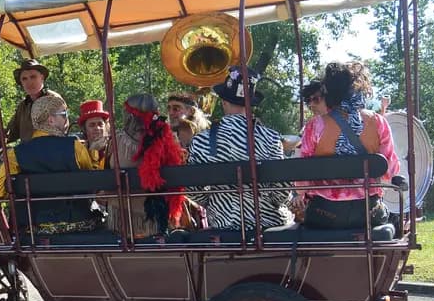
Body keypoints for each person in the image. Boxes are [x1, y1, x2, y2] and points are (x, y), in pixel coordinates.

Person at [292, 62, 399, 229]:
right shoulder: (378, 122)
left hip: (323, 214)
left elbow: (302, 178)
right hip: (368, 213)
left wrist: (300, 195)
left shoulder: (315, 126)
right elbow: (389, 172)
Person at [186, 66, 292, 230]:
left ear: (223, 102)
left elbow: (193, 191)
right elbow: (281, 194)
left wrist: (216, 203)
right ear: (252, 105)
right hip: (269, 226)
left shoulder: (201, 141)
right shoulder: (271, 138)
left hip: (223, 226)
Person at [0, 94, 104, 234]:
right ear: (51, 120)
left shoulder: (15, 154)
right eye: (64, 114)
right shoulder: (74, 146)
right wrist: (94, 154)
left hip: (31, 230)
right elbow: (93, 182)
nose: (67, 119)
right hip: (78, 224)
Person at [0, 58, 61, 199]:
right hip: (24, 155)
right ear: (21, 83)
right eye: (25, 79)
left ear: (42, 77)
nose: (29, 82)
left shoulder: (53, 100)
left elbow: (57, 133)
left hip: (44, 158)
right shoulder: (23, 106)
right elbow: (8, 134)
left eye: (33, 77)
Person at [108, 94, 187, 238]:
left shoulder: (117, 140)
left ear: (129, 115)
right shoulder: (166, 138)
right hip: (155, 215)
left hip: (121, 216)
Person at [77, 99, 110, 167]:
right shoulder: (79, 151)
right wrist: (92, 151)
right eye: (92, 125)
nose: (97, 128)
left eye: (100, 124)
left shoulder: (114, 149)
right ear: (84, 129)